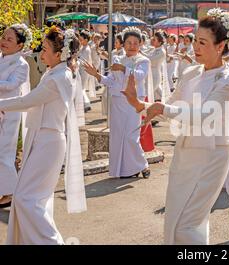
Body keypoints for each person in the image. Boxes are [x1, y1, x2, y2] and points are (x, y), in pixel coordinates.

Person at [122, 9, 229, 244]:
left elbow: (207, 114)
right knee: (177, 221)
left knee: (188, 225)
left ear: (220, 46)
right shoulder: (190, 73)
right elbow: (170, 107)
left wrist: (163, 109)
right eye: (195, 40)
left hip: (213, 154)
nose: (195, 47)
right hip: (185, 152)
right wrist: (139, 104)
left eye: (202, 42)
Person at [0, 27, 87, 244]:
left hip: (48, 143)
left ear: (60, 54)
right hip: (41, 139)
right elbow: (32, 104)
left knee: (26, 199)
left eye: (46, 49)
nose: (41, 53)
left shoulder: (58, 78)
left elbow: (27, 101)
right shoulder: (55, 73)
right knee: (29, 199)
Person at [82, 27, 151, 179]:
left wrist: (123, 68)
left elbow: (140, 76)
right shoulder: (118, 59)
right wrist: (97, 75)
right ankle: (125, 170)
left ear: (140, 44)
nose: (132, 46)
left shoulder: (143, 60)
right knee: (118, 137)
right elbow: (111, 81)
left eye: (135, 43)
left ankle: (142, 164)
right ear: (123, 44)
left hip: (133, 102)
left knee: (130, 137)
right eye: (128, 42)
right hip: (117, 102)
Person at [0, 24, 32, 208]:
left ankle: (10, 192)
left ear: (20, 45)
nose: (4, 41)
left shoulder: (22, 64)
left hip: (9, 112)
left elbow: (11, 85)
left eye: (10, 39)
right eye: (4, 37)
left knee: (5, 151)